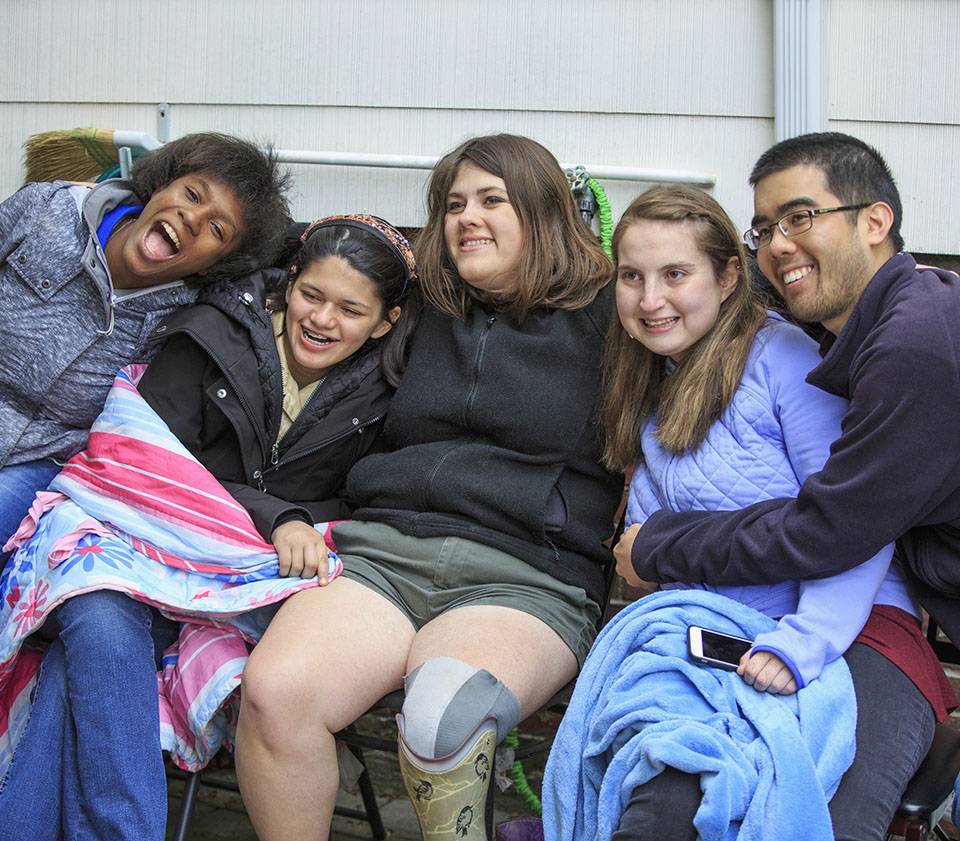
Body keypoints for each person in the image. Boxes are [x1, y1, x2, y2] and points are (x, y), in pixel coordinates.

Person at [234, 133, 624, 841]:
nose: (466, 216)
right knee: (273, 692)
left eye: (490, 199)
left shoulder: (611, 316)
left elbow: (706, 298)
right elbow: (312, 258)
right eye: (453, 204)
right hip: (385, 557)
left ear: (542, 210)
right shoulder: (423, 306)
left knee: (444, 712)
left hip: (527, 575)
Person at [541, 185, 954, 841]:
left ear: (730, 275)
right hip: (726, 626)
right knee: (662, 808)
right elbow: (648, 558)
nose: (651, 301)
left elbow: (856, 524)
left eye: (675, 274)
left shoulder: (787, 361)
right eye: (632, 277)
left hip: (855, 621)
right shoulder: (644, 382)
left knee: (831, 817)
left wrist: (803, 640)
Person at [0, 214, 419, 841]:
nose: (323, 320)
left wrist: (298, 525)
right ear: (288, 283)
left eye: (350, 310)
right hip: (115, 536)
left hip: (238, 588)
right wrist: (278, 515)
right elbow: (146, 458)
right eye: (311, 295)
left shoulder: (389, 395)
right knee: (103, 612)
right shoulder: (210, 335)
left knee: (81, 667)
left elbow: (368, 498)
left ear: (386, 321)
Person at [0, 131, 292, 562]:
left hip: (42, 463)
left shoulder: (188, 319)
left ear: (218, 263)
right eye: (192, 194)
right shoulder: (48, 210)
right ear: (161, 184)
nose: (192, 219)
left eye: (216, 228)